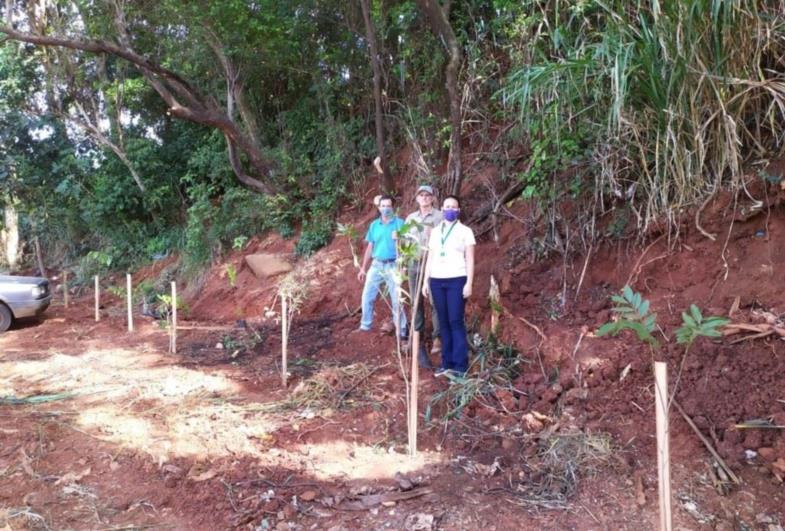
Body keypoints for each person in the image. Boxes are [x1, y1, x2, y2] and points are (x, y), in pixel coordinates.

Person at [422, 195, 475, 376]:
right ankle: (447, 363)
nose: (450, 209)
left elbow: (470, 258)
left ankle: (460, 365)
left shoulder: (465, 231)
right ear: (442, 209)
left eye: (454, 207)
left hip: (456, 280)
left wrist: (469, 282)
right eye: (447, 207)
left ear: (458, 210)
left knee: (455, 321)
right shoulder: (436, 232)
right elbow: (431, 256)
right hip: (437, 280)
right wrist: (425, 281)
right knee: (443, 322)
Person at [356, 195, 408, 337]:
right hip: (377, 265)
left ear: (393, 207)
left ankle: (402, 331)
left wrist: (402, 265)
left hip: (393, 265)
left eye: (388, 206)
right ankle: (365, 326)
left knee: (396, 298)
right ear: (379, 208)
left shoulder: (400, 224)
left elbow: (407, 246)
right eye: (383, 206)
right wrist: (363, 268)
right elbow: (370, 247)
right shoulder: (374, 225)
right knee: (367, 295)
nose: (385, 208)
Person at [404, 185, 442, 369]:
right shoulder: (411, 219)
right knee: (415, 301)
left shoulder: (440, 216)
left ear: (433, 198)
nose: (425, 198)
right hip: (414, 264)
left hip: (433, 265)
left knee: (435, 301)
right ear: (417, 198)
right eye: (422, 195)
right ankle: (416, 335)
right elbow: (405, 241)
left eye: (428, 195)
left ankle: (437, 338)